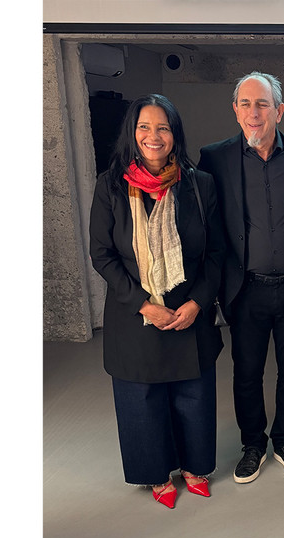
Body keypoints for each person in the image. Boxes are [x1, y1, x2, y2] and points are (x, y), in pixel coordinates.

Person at [89, 94, 225, 509]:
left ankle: (193, 466)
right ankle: (155, 473)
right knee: (142, 400)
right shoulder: (111, 185)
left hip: (188, 312)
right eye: (144, 127)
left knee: (193, 395)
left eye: (162, 127)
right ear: (132, 134)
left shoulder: (198, 185)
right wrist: (144, 303)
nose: (153, 136)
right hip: (136, 315)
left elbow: (216, 253)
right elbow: (102, 254)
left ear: (175, 134)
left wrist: (198, 303)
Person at [197, 71, 284, 484]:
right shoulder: (214, 159)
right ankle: (253, 444)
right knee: (246, 373)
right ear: (235, 110)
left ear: (279, 111)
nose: (254, 112)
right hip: (244, 290)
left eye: (262, 104)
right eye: (246, 104)